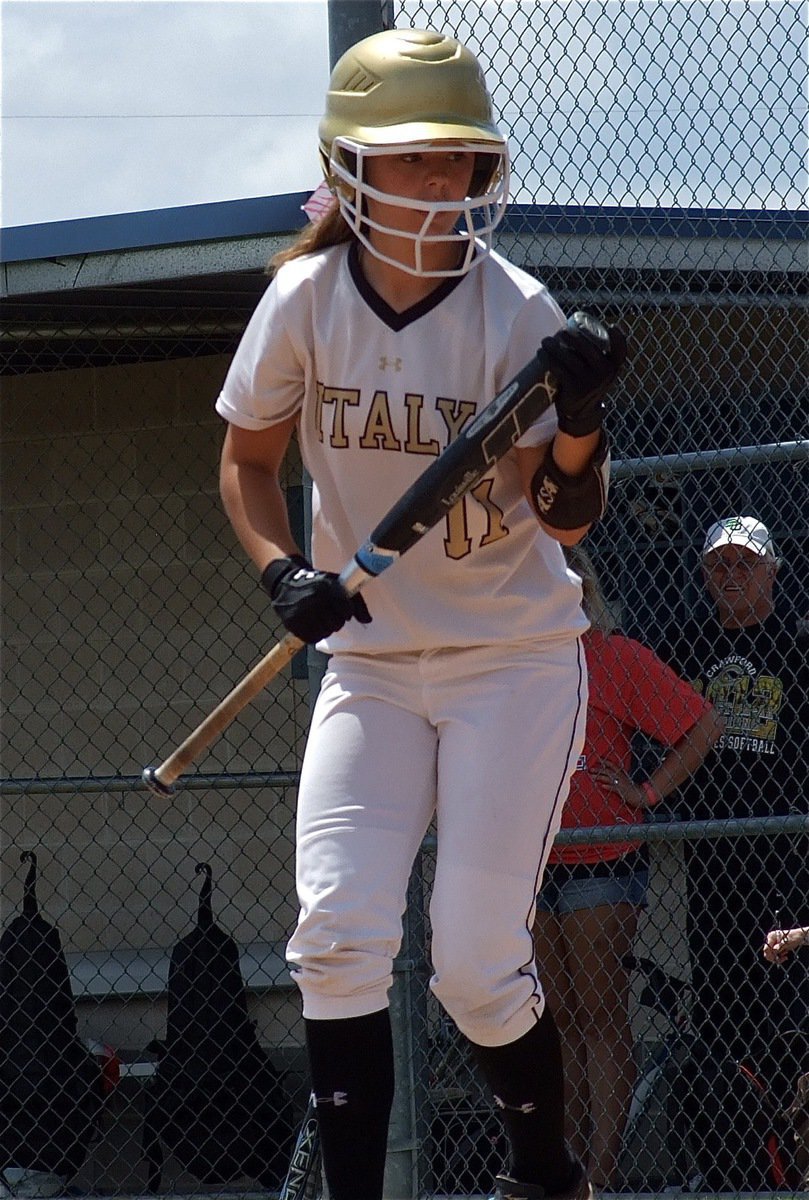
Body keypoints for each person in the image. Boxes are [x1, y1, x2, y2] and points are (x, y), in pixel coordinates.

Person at [214, 26, 627, 1200]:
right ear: (349, 165)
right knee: (336, 941)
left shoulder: (515, 308)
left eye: (458, 158)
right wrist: (280, 571)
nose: (441, 182)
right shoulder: (300, 299)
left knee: (474, 963)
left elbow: (565, 519)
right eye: (411, 158)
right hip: (372, 662)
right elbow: (246, 464)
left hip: (511, 661)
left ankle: (544, 1178)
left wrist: (581, 419)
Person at [533, 545, 723, 1189]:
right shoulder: (512, 665)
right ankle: (563, 1168)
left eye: (563, 581)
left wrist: (646, 793)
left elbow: (702, 726)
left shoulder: (615, 657)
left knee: (598, 1011)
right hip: (531, 862)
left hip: (603, 862)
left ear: (583, 588)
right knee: (552, 1014)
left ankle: (602, 1174)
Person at [658, 515, 809, 1060]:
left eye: (745, 562)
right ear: (702, 573)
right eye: (719, 563)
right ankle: (734, 1125)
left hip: (782, 842)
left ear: (772, 571)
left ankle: (785, 1120)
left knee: (782, 994)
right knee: (719, 999)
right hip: (710, 844)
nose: (731, 573)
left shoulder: (797, 640)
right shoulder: (684, 644)